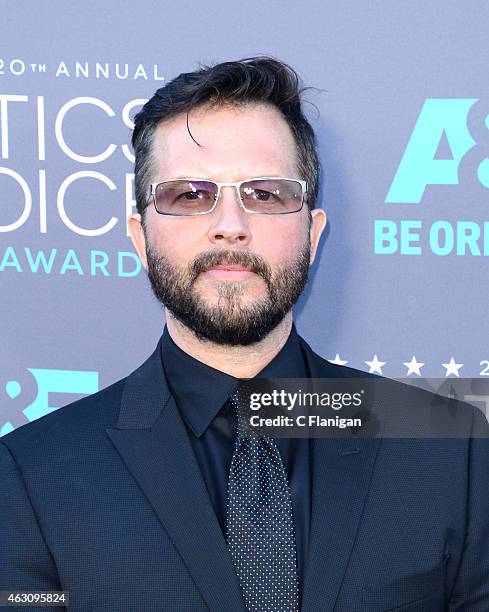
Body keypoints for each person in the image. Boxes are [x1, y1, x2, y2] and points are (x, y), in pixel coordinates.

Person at [0, 57, 488, 612]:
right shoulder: (30, 477)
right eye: (188, 195)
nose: (230, 223)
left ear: (312, 235)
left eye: (264, 194)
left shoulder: (451, 449)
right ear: (140, 238)